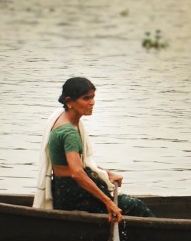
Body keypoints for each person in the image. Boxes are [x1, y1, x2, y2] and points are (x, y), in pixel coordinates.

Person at [34, 77, 153, 222]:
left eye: (92, 97)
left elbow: (78, 165)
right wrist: (108, 203)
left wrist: (107, 174)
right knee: (136, 206)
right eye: (86, 98)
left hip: (62, 187)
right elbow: (77, 173)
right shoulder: (69, 133)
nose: (92, 102)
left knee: (127, 203)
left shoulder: (64, 119)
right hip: (74, 193)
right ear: (69, 102)